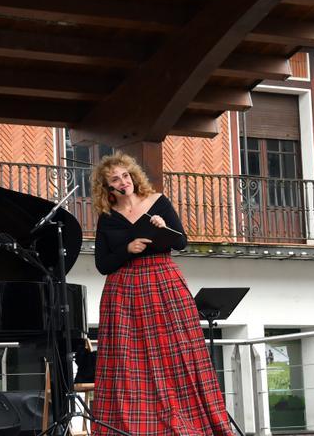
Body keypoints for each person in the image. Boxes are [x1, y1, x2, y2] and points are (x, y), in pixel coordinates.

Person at [90, 152, 233, 435]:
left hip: (162, 282)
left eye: (126, 175)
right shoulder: (107, 218)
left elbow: (180, 242)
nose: (123, 182)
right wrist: (126, 250)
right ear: (107, 188)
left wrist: (161, 226)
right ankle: (138, 426)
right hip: (124, 292)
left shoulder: (158, 202)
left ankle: (186, 421)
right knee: (128, 361)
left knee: (176, 353)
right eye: (115, 179)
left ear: (133, 176)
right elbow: (102, 264)